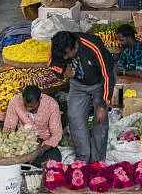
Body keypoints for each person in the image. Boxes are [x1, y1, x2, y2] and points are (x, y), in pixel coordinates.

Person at [49, 31, 115, 163]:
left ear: (75, 46)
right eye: (63, 55)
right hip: (78, 84)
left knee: (100, 121)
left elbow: (107, 76)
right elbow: (52, 64)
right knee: (74, 117)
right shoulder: (58, 48)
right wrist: (63, 71)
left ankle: (97, 161)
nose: (65, 57)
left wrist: (103, 105)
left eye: (68, 54)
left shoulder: (92, 46)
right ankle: (83, 158)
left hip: (100, 83)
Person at [3, 86, 63, 167]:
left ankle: (28, 162)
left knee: (54, 159)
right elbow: (9, 128)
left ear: (39, 100)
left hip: (43, 143)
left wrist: (40, 151)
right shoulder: (14, 102)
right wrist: (11, 145)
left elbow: (56, 134)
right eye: (26, 106)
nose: (28, 109)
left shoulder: (51, 104)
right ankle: (26, 161)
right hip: (22, 141)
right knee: (10, 158)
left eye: (32, 107)